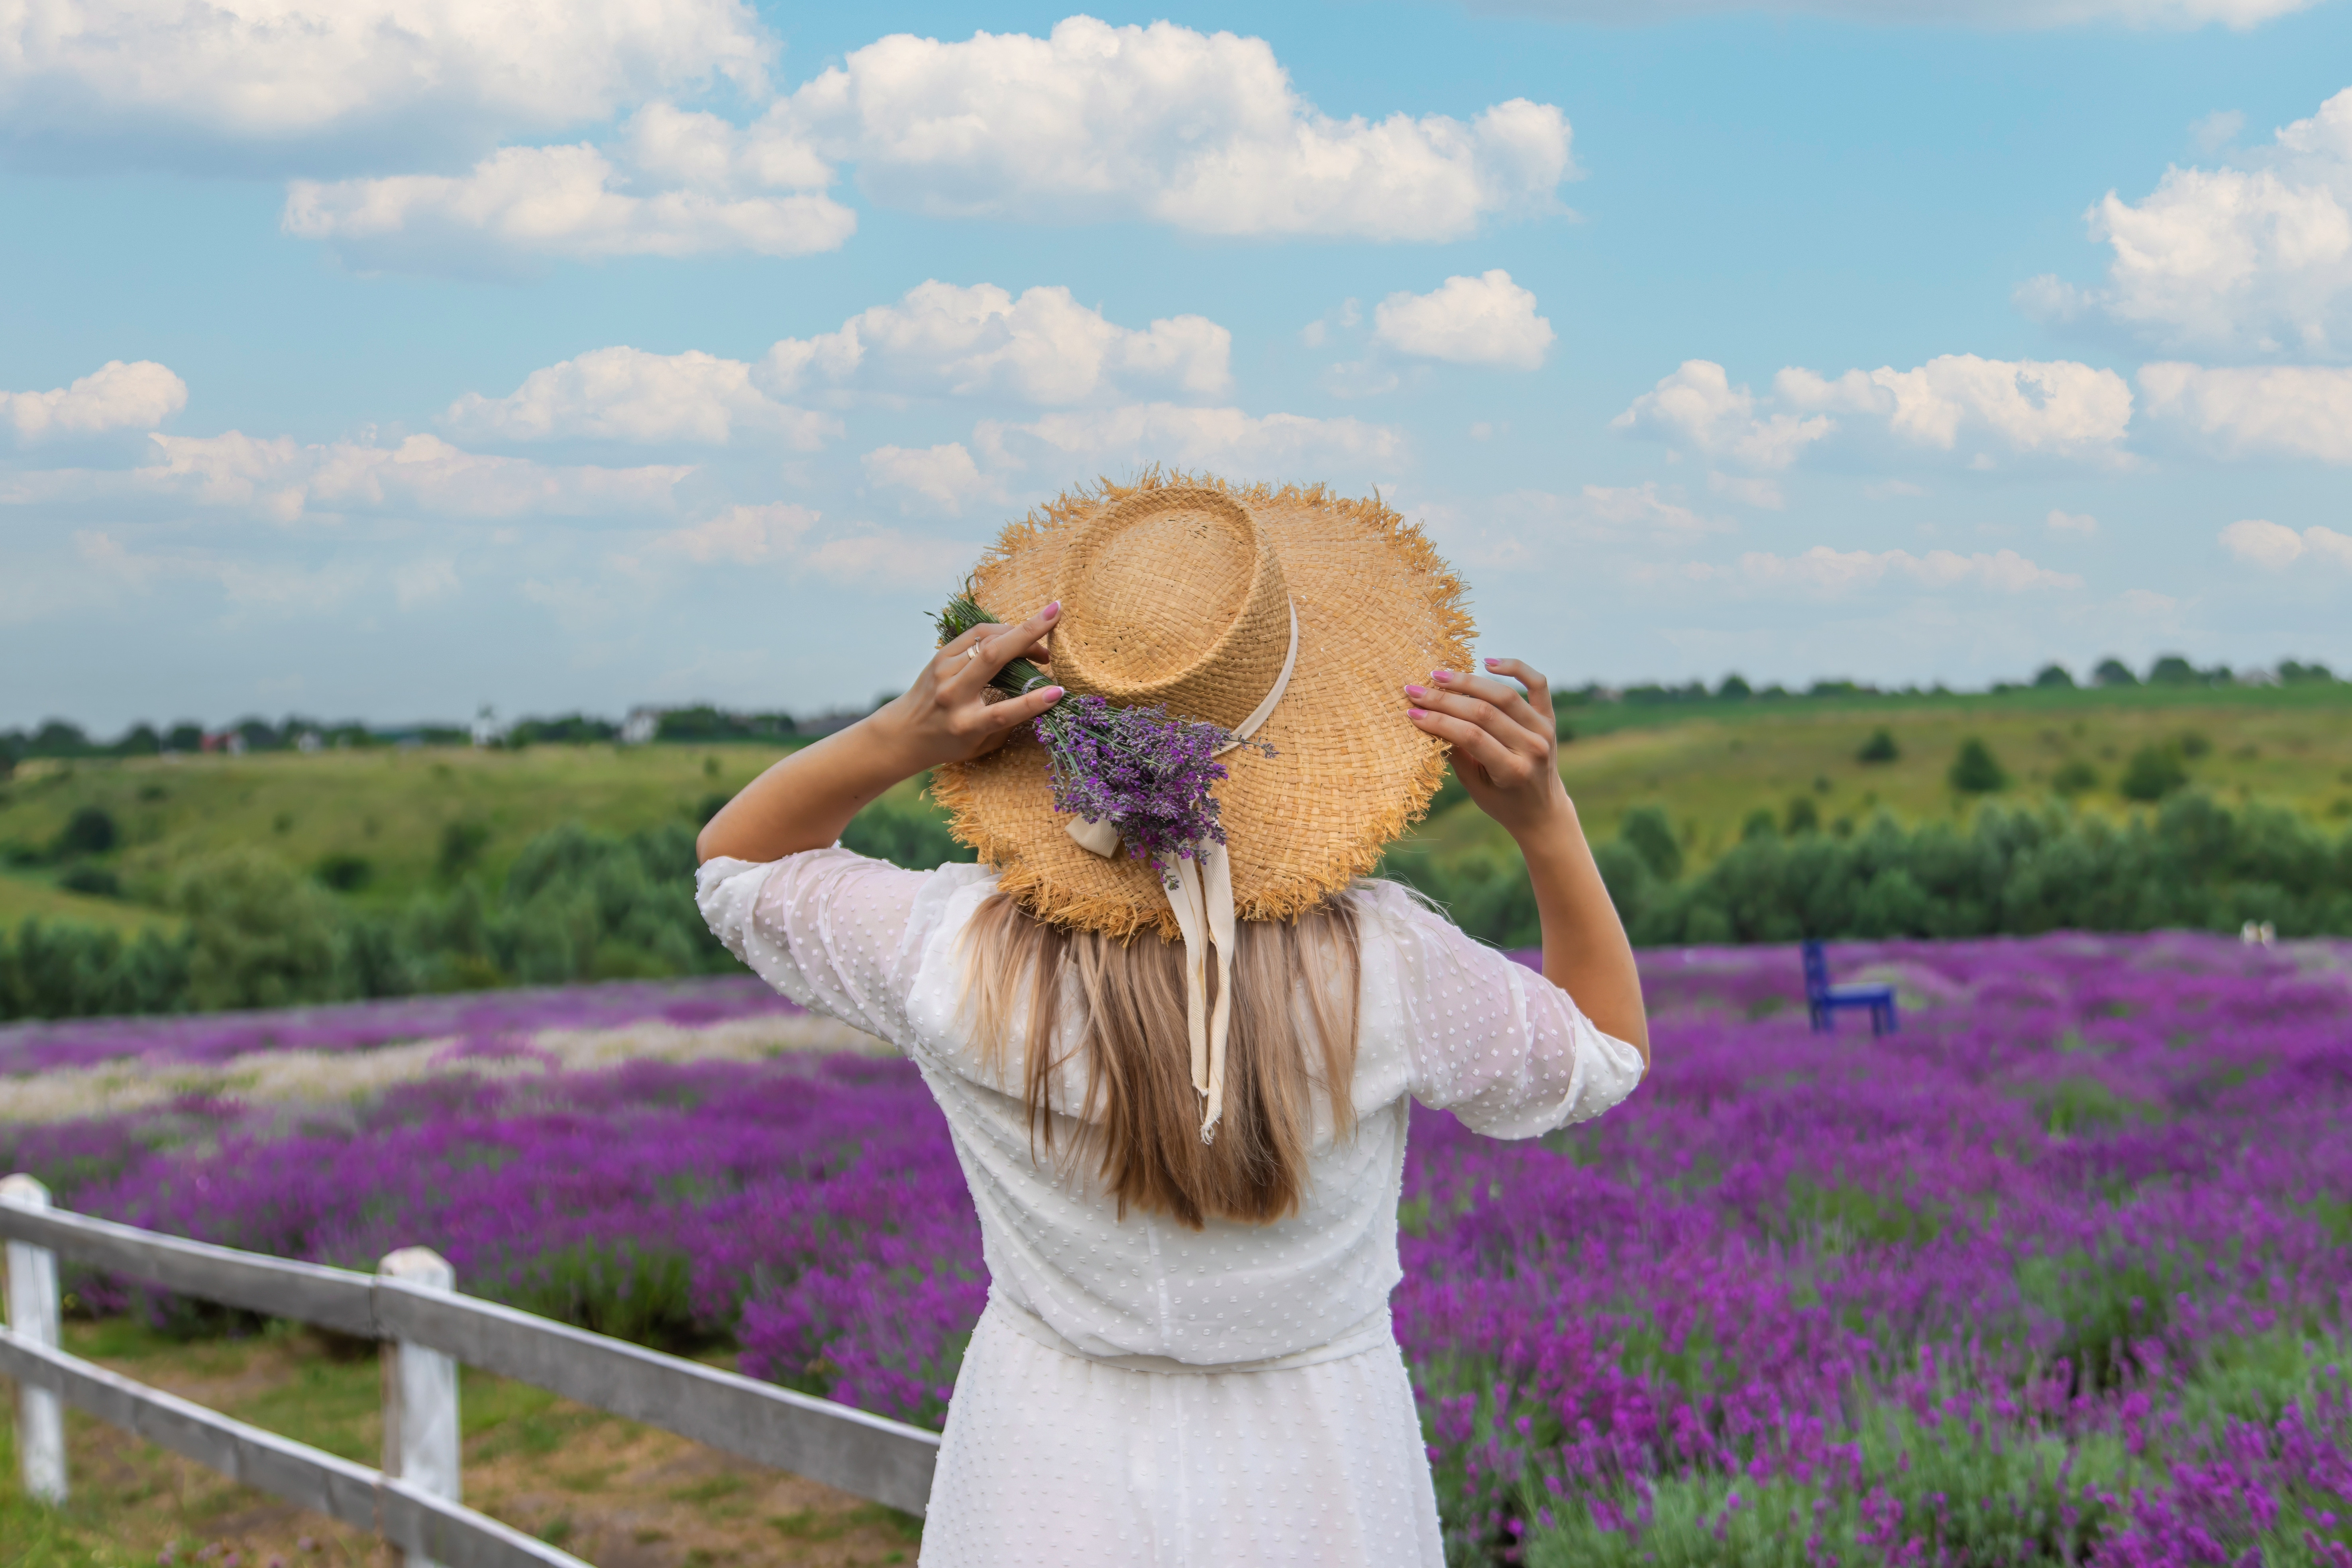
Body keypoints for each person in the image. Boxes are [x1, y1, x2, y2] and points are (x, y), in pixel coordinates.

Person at [696, 478, 1649, 1567]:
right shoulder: (1386, 967)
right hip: (1322, 1473)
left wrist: (900, 735)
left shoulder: (949, 949)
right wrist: (1547, 822)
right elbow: (1604, 1051)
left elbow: (737, 866)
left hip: (1042, 1464)